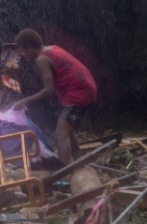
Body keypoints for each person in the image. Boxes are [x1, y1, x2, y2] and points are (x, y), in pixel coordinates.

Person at [10, 28, 97, 165]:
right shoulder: (52, 49)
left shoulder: (41, 60)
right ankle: (79, 163)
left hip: (78, 93)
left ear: (30, 48)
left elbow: (48, 90)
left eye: (22, 50)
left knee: (60, 135)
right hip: (86, 87)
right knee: (68, 131)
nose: (21, 55)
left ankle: (61, 173)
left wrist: (24, 101)